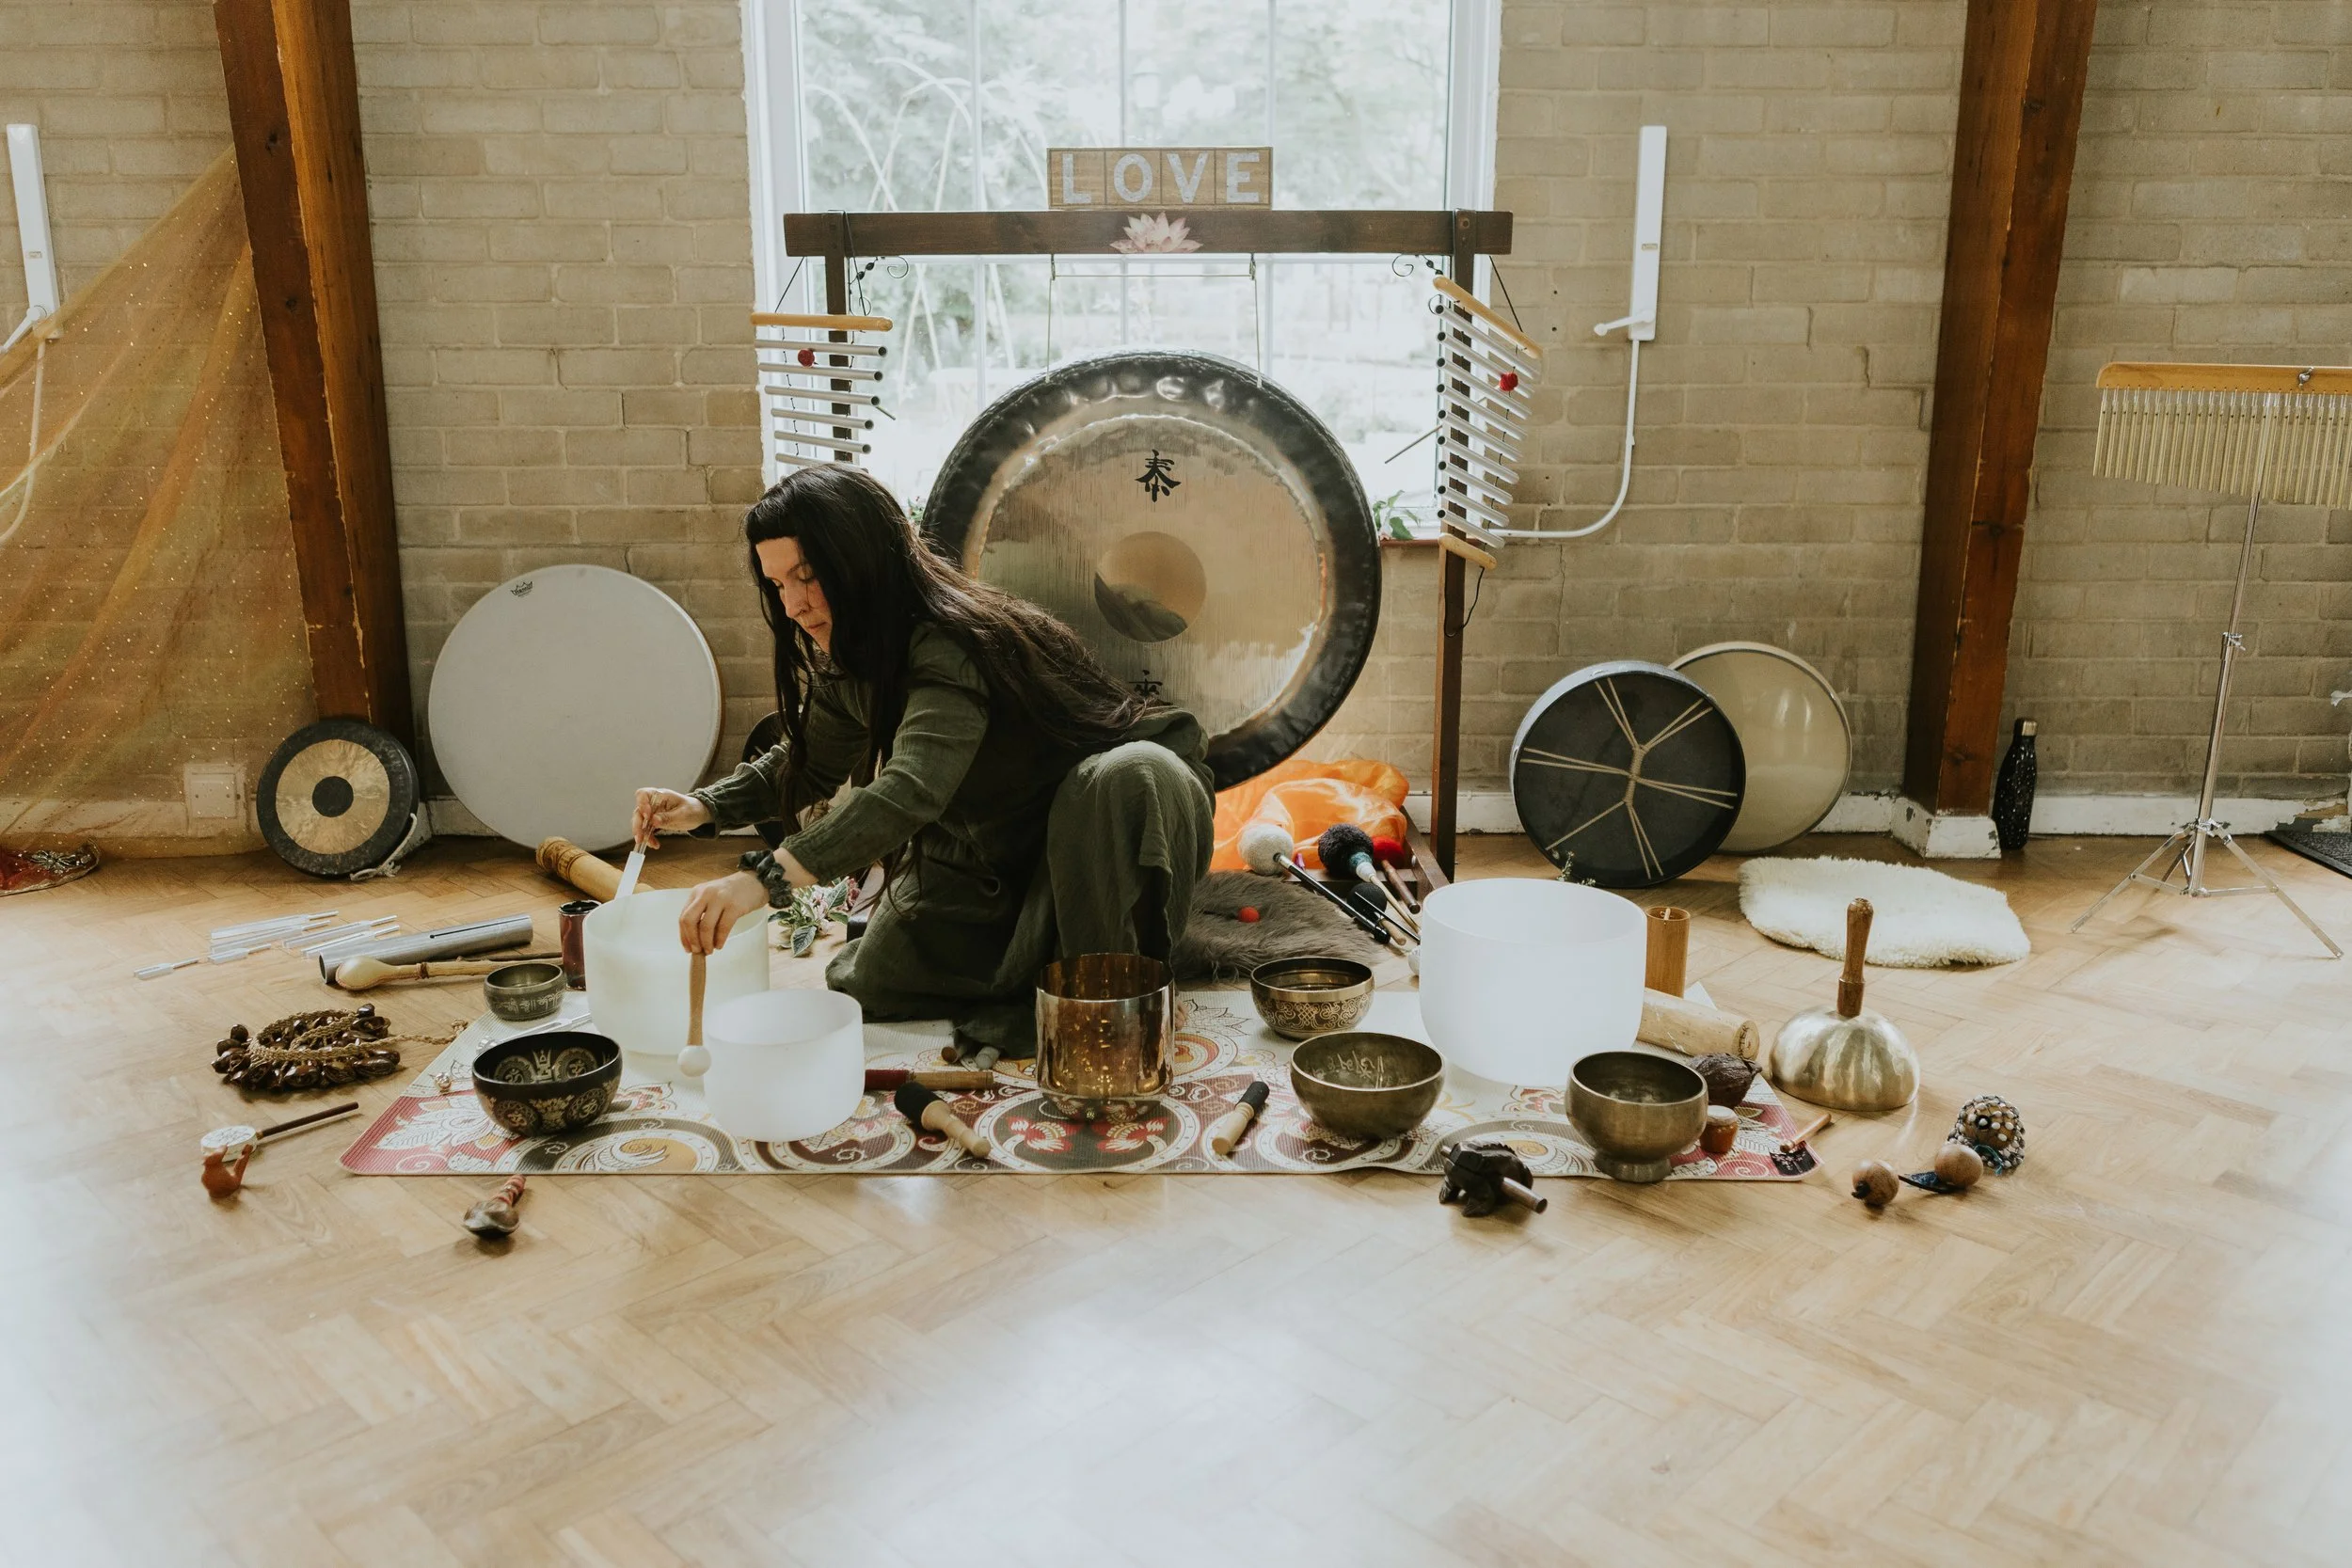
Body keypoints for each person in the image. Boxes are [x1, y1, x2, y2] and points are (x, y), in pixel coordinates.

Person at [629, 464, 1214, 1057]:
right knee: (867, 982)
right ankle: (1042, 965)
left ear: (864, 562)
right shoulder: (855, 657)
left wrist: (764, 878)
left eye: (808, 576)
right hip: (1001, 853)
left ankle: (1105, 1001)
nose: (796, 605)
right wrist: (702, 807)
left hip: (1108, 827)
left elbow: (911, 789)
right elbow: (807, 763)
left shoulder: (951, 643)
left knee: (1117, 779)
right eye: (779, 585)